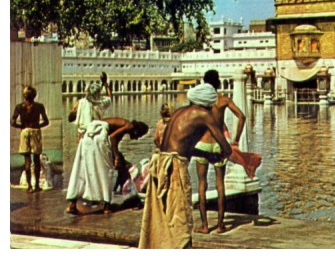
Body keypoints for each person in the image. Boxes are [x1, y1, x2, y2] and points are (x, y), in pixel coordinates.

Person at [139, 83, 232, 249]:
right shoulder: (203, 114)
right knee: (180, 216)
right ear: (208, 102)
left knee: (164, 216)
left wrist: (205, 154)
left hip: (161, 161)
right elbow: (225, 146)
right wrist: (227, 153)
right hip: (174, 167)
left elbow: (182, 146)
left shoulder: (180, 112)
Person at [193, 70, 246, 234]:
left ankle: (205, 226)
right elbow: (241, 116)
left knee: (202, 184)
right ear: (217, 83)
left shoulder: (200, 102)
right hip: (219, 144)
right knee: (220, 184)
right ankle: (221, 225)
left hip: (202, 143)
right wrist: (236, 139)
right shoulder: (223, 100)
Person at [65, 118, 149, 215]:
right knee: (108, 173)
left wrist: (119, 157)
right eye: (140, 135)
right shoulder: (129, 125)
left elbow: (113, 143)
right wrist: (117, 157)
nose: (137, 138)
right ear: (137, 130)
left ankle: (72, 205)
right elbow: (112, 138)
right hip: (99, 140)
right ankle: (107, 207)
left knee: (82, 171)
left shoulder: (121, 123)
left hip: (88, 139)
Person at [11, 86, 50, 193]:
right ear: (34, 95)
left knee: (27, 160)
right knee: (36, 159)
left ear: (24, 96)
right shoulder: (39, 106)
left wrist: (22, 127)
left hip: (25, 131)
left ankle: (29, 187)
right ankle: (36, 185)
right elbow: (46, 121)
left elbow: (13, 122)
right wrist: (37, 125)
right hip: (35, 131)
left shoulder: (20, 107)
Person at [70, 72, 112, 141]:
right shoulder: (100, 103)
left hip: (82, 134)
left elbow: (71, 115)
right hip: (95, 133)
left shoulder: (81, 102)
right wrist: (106, 86)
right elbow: (109, 98)